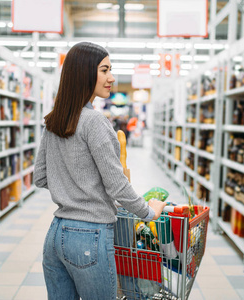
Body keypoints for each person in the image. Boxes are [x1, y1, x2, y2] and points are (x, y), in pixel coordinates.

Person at [33, 42, 167, 300]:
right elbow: (116, 186)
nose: (112, 77)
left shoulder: (54, 121)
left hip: (56, 234)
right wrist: (149, 211)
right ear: (84, 73)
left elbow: (40, 177)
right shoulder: (95, 122)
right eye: (105, 70)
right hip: (89, 237)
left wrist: (71, 188)